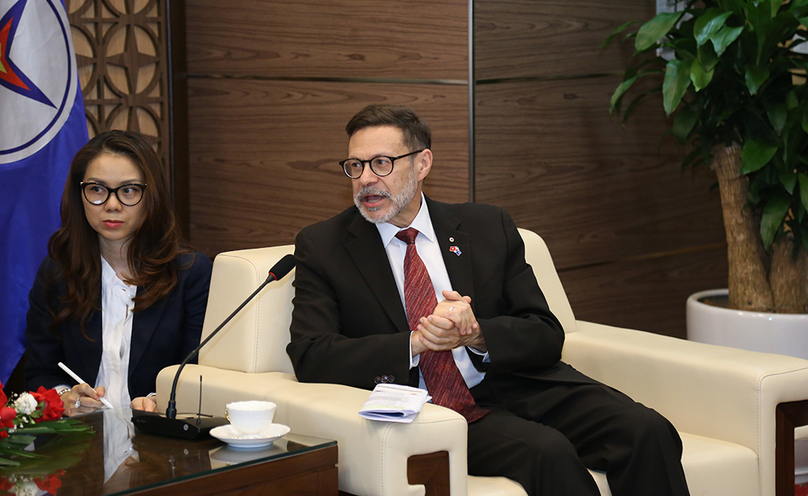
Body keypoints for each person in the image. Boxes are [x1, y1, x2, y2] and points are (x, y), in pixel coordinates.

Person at [287, 104, 690, 496]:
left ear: (422, 163)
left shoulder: (486, 226)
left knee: (646, 430)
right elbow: (310, 354)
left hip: (516, 384)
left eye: (381, 163)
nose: (365, 180)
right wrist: (416, 342)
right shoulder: (324, 247)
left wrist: (476, 333)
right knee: (548, 452)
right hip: (436, 407)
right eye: (355, 166)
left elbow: (546, 334)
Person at [25, 130, 212, 416]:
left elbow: (200, 371)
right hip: (80, 445)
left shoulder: (191, 274)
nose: (112, 205)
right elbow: (41, 371)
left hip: (160, 442)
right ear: (80, 195)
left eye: (128, 190)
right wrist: (64, 397)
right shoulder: (57, 273)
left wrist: (158, 399)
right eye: (97, 189)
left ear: (152, 196)